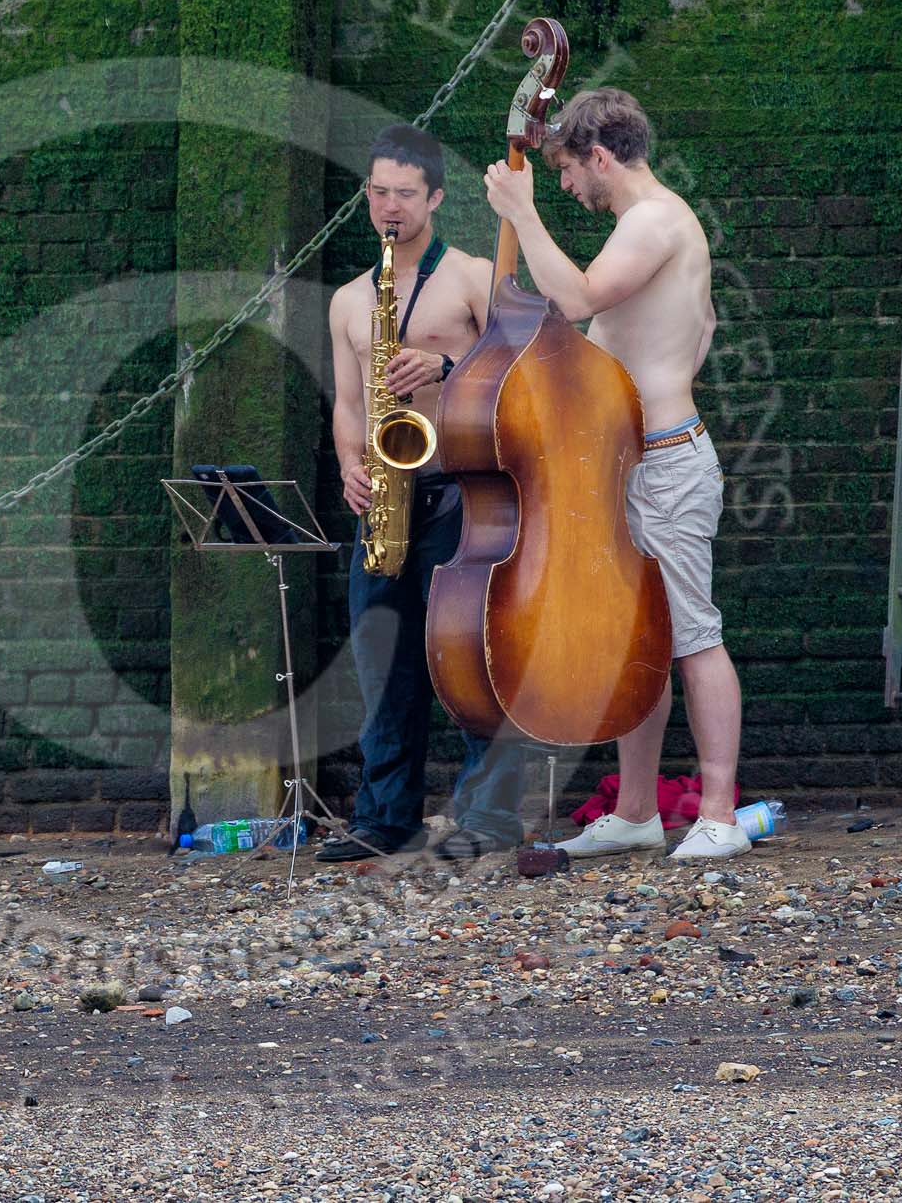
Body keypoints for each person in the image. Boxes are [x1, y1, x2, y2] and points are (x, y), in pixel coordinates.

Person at [482, 87, 747, 862]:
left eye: (568, 170)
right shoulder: (654, 227)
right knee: (638, 641)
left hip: (666, 464)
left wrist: (523, 214)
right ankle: (635, 811)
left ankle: (722, 814)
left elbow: (583, 294)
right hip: (636, 462)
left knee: (695, 636)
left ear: (600, 157)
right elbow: (696, 328)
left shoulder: (655, 220)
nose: (565, 186)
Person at [318, 124, 528, 864]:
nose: (389, 206)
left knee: (471, 660)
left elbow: (521, 367)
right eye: (377, 191)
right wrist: (350, 463)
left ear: (435, 197)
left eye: (404, 193)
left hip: (458, 493)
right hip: (383, 497)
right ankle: (384, 818)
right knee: (384, 662)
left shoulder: (471, 274)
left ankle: (489, 818)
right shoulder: (349, 300)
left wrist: (444, 365)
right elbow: (348, 404)